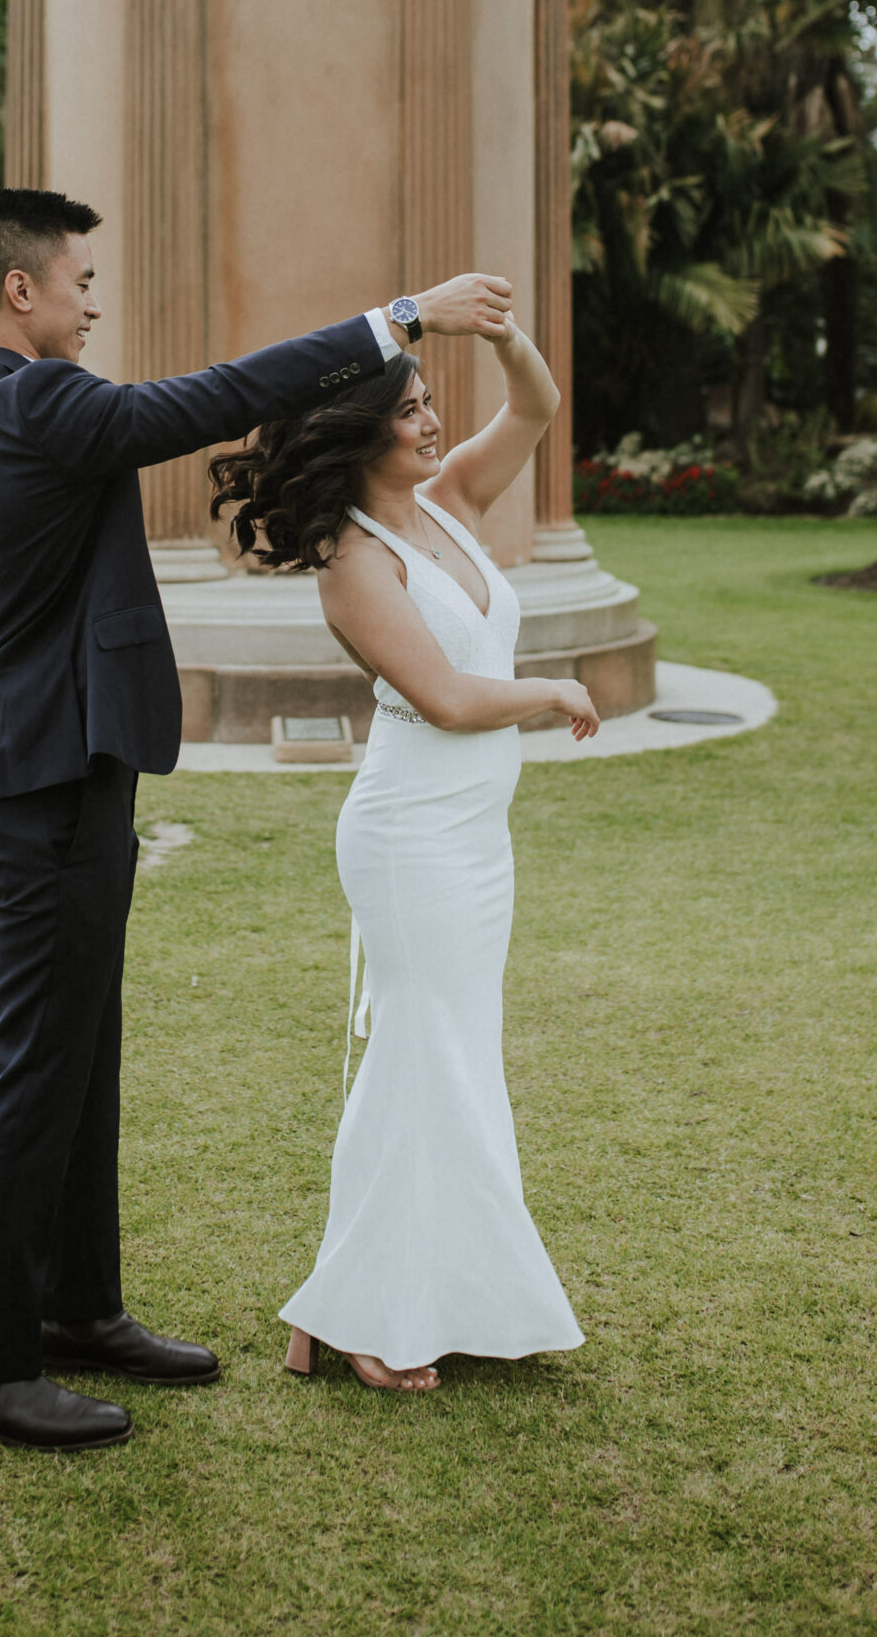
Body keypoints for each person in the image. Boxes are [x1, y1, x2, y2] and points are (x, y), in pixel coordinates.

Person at [0, 182, 512, 1451]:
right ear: (17, 289)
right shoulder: (38, 400)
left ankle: (77, 1310)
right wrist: (397, 317)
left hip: (32, 768)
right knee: (35, 1068)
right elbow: (207, 400)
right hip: (49, 776)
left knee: (79, 1051)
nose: (90, 298)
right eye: (77, 280)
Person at [210, 313, 598, 1392]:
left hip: (476, 838)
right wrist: (553, 686)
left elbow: (535, 408)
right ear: (357, 437)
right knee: (425, 1056)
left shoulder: (451, 505)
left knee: (442, 1055)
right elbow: (444, 694)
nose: (429, 422)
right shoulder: (350, 561)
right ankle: (363, 1315)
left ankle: (345, 1308)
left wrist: (506, 332)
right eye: (406, 412)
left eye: (426, 401)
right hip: (408, 835)